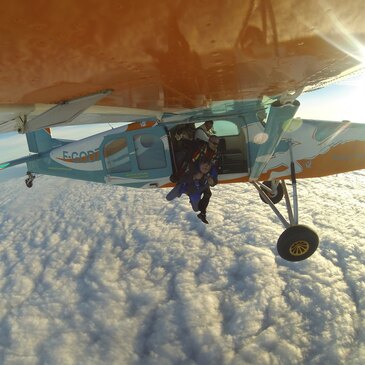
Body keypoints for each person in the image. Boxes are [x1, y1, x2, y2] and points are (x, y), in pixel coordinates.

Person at [166, 158, 218, 224]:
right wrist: (194, 177)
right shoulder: (192, 167)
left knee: (196, 209)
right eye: (203, 166)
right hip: (185, 186)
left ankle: (199, 210)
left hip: (195, 191)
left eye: (207, 167)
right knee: (169, 197)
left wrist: (212, 182)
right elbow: (180, 178)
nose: (205, 167)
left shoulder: (212, 172)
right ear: (199, 165)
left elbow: (215, 181)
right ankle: (183, 190)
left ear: (210, 167)